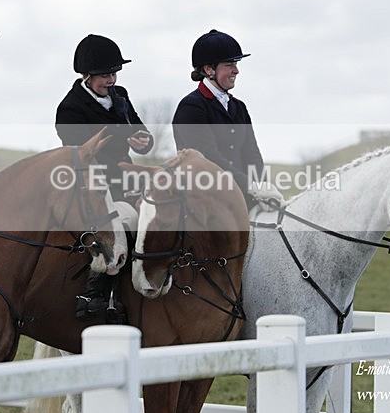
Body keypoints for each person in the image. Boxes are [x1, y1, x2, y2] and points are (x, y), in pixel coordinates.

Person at [55, 34, 153, 320]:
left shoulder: (120, 96)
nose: (111, 79)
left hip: (127, 178)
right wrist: (125, 151)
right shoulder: (70, 108)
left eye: (114, 73)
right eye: (105, 75)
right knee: (121, 223)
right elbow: (87, 155)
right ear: (86, 75)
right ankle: (95, 293)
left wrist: (143, 141)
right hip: (92, 185)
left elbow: (142, 133)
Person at [172, 29, 283, 210]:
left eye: (236, 63)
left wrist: (264, 187)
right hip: (204, 200)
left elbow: (251, 152)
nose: (236, 70)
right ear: (209, 69)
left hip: (240, 198)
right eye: (229, 64)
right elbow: (208, 157)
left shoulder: (238, 107)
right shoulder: (191, 108)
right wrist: (251, 187)